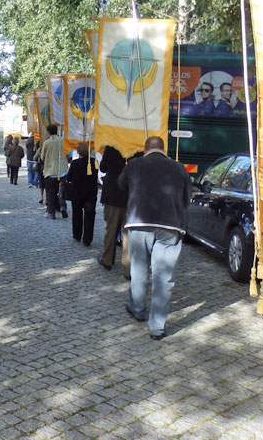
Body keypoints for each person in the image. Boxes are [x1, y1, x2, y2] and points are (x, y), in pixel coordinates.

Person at [117, 136, 191, 340]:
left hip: (139, 223)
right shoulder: (178, 168)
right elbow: (187, 199)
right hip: (170, 225)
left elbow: (120, 185)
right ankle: (157, 327)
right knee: (163, 276)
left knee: (139, 268)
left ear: (144, 149)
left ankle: (138, 308)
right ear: (164, 149)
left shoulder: (134, 165)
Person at [98, 145, 129, 273]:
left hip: (113, 194)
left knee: (111, 229)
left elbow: (103, 168)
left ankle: (107, 260)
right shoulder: (136, 148)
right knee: (128, 232)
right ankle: (128, 267)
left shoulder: (111, 148)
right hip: (130, 194)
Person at [67, 142, 98, 246]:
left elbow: (69, 177)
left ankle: (77, 234)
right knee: (89, 216)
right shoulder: (94, 162)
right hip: (90, 193)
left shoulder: (75, 163)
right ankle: (87, 239)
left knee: (77, 214)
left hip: (77, 193)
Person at [39, 124, 68, 219]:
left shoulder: (47, 143)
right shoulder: (63, 141)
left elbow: (42, 157)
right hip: (62, 170)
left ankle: (51, 212)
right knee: (61, 191)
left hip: (50, 171)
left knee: (50, 192)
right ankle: (63, 206)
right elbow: (67, 154)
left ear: (49, 132)